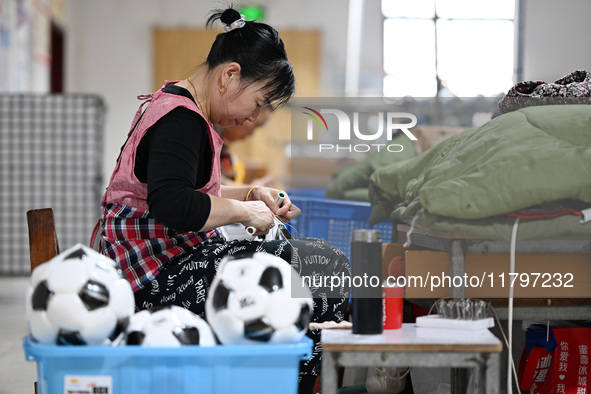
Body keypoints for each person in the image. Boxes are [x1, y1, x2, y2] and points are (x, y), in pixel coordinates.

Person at [95, 8, 350, 393]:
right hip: (153, 283)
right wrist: (246, 211)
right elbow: (172, 204)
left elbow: (185, 193)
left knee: (314, 263)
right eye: (259, 102)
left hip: (165, 267)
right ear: (230, 76)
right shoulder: (181, 120)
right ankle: (287, 384)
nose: (254, 117)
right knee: (322, 268)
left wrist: (251, 194)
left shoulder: (178, 106)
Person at [217, 105, 276, 186]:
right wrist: (249, 189)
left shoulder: (226, 145)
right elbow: (210, 184)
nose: (252, 133)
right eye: (256, 125)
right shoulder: (211, 135)